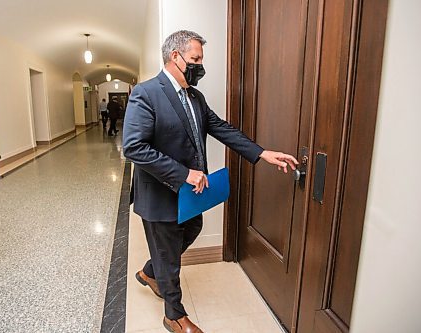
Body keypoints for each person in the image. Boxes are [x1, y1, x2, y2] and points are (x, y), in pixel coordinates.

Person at [123, 30, 298, 333]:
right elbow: (134, 147)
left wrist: (261, 153)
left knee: (192, 228)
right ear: (175, 56)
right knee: (169, 255)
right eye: (195, 59)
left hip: (189, 194)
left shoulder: (195, 96)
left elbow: (221, 128)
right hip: (160, 192)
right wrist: (183, 173)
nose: (199, 66)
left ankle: (152, 272)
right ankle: (174, 316)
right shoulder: (146, 93)